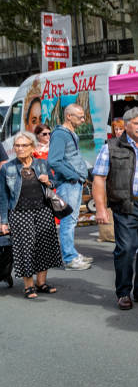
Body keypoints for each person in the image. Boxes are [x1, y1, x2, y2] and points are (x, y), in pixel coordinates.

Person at [92, 107, 138, 310]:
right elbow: (99, 179)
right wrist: (100, 209)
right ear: (126, 125)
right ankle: (123, 292)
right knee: (125, 249)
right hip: (126, 204)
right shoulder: (111, 147)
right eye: (137, 123)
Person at [0, 132, 63, 299]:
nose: (20, 149)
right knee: (25, 249)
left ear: (32, 147)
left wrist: (48, 182)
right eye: (17, 146)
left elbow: (55, 182)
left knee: (44, 246)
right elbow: (3, 196)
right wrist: (4, 221)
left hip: (43, 211)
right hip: (19, 213)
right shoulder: (8, 167)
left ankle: (41, 283)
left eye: (24, 145)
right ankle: (28, 286)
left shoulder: (42, 164)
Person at [47, 104, 92, 271]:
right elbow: (54, 161)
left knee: (71, 220)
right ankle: (70, 258)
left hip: (73, 183)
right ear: (68, 116)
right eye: (79, 117)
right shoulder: (60, 135)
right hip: (68, 184)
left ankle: (72, 254)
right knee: (68, 221)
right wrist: (73, 176)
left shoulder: (69, 133)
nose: (82, 119)